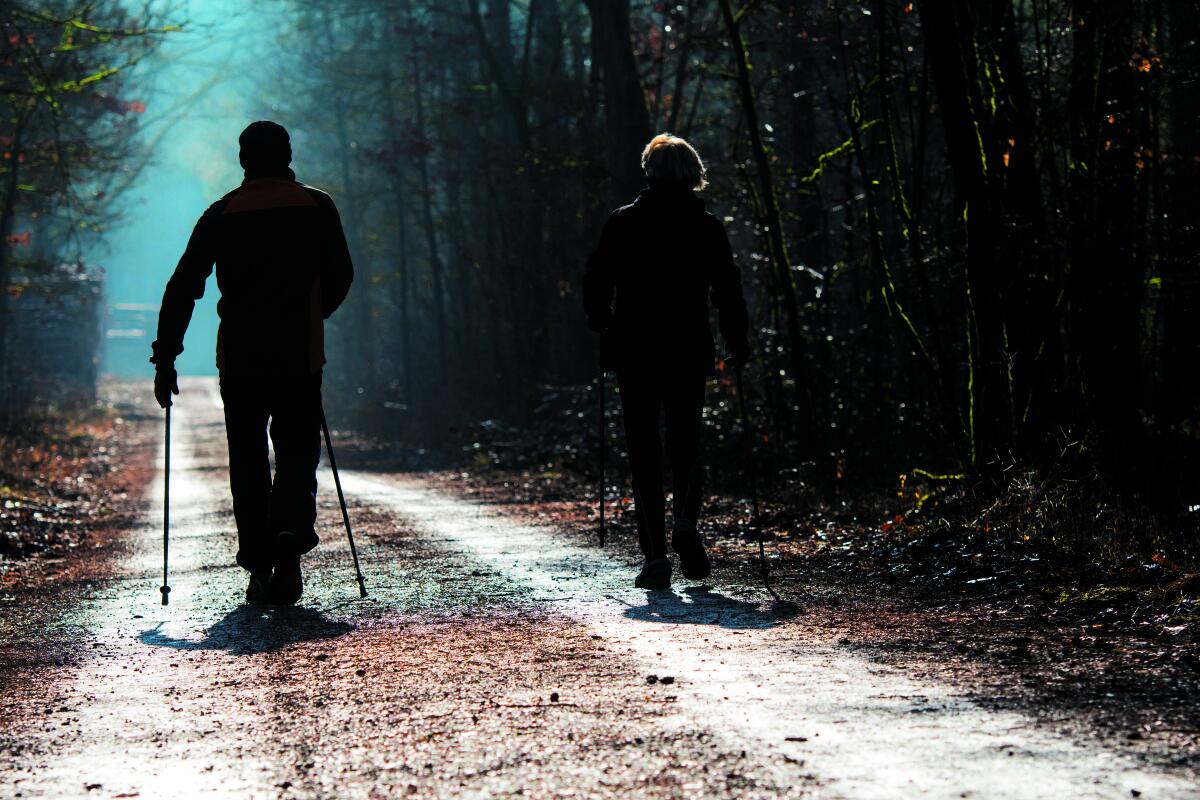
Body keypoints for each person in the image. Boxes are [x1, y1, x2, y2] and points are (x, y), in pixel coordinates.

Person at [151, 120, 353, 605]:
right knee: (297, 452)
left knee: (247, 459)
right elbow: (342, 274)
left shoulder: (221, 214)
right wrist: (314, 314)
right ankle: (289, 542)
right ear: (287, 155)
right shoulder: (316, 206)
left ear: (243, 160)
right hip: (299, 354)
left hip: (240, 358)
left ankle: (258, 563)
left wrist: (165, 358)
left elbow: (183, 287)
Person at [582, 133, 750, 590]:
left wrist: (601, 320)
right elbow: (728, 290)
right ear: (694, 175)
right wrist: (738, 342)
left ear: (649, 171)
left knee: (643, 450)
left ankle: (655, 554)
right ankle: (687, 525)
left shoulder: (623, 223)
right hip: (688, 348)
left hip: (635, 350)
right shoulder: (707, 226)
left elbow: (596, 281)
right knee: (686, 442)